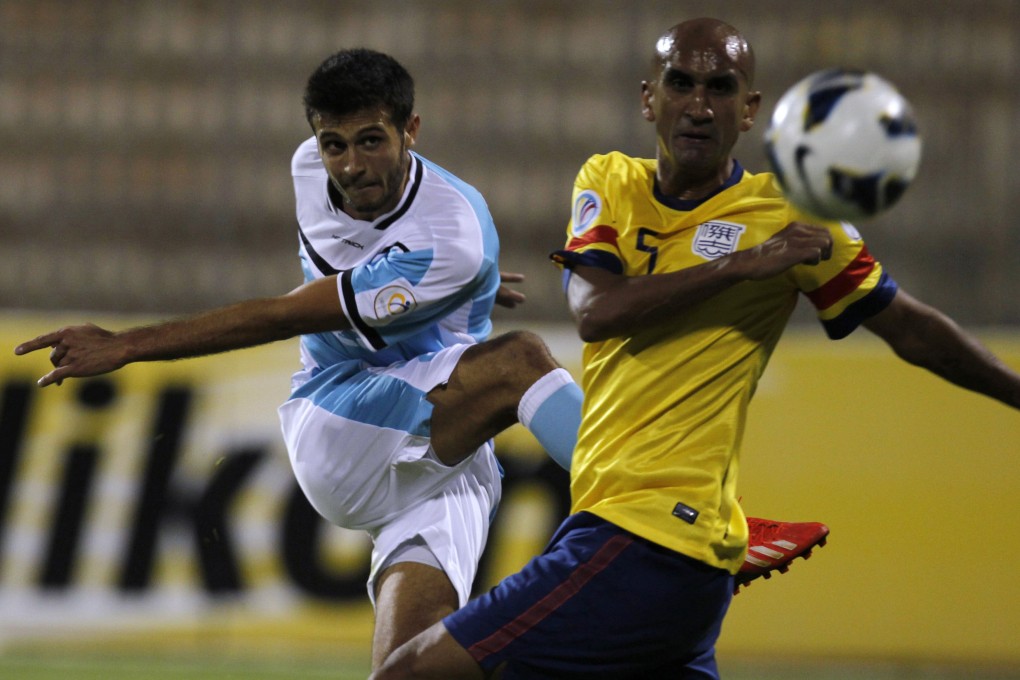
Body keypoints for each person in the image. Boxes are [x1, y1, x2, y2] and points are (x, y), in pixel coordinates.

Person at [15, 46, 825, 671]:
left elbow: (407, 265)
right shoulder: (323, 178)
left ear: (412, 131)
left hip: (438, 460)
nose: (351, 167)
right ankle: (683, 517)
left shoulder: (451, 232)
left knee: (417, 670)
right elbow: (294, 308)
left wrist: (451, 283)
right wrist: (129, 347)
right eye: (334, 144)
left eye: (371, 141)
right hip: (340, 420)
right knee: (519, 362)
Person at [369, 18, 1020, 680]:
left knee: (408, 674)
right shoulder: (610, 180)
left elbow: (910, 326)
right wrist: (744, 265)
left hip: (646, 536)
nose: (699, 106)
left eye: (721, 88)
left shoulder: (791, 215)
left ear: (750, 111)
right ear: (649, 97)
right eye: (681, 83)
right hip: (657, 550)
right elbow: (596, 310)